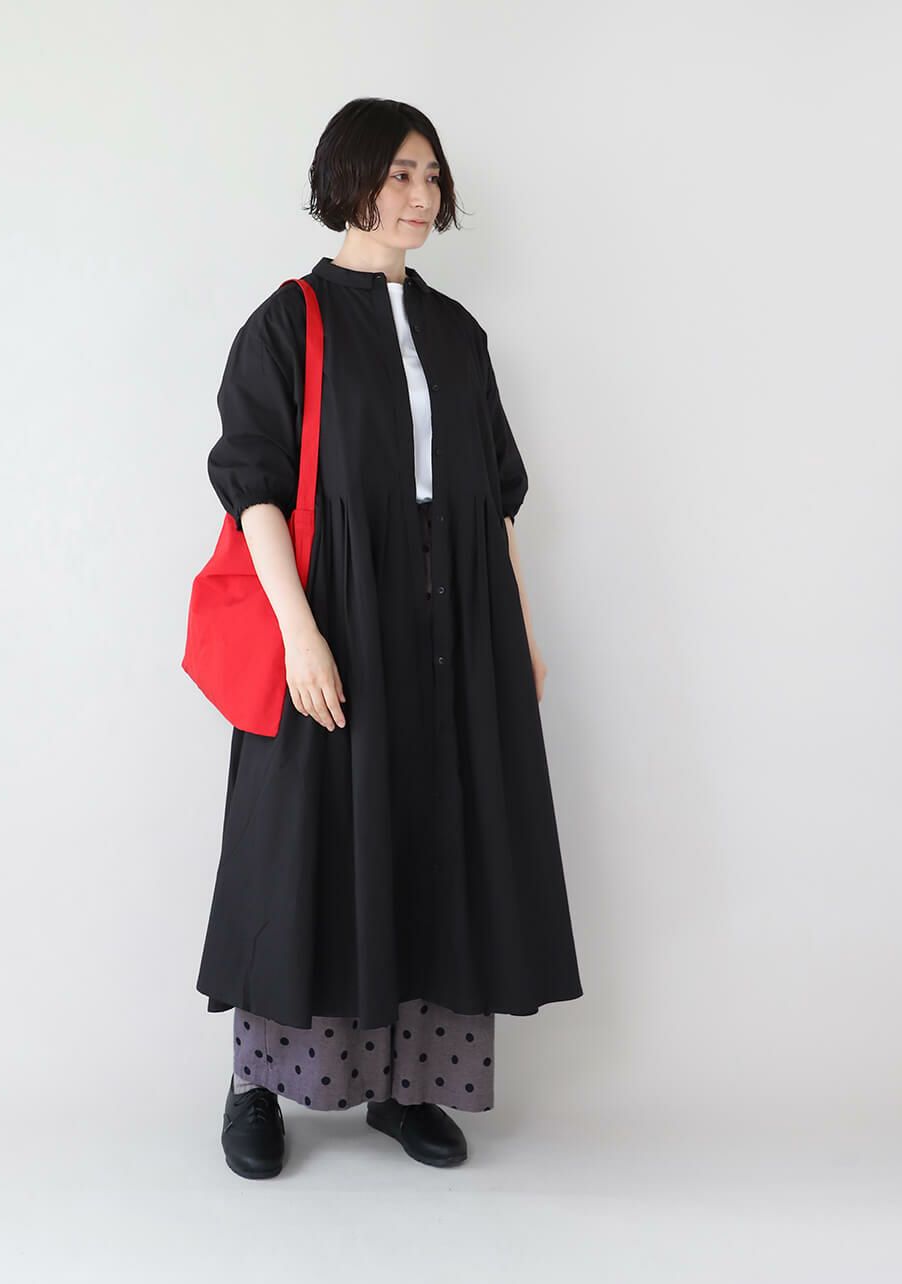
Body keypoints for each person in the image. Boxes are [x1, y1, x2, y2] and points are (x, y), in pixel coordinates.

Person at [196, 98, 583, 1179]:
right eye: (401, 174)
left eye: (432, 176)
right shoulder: (288, 321)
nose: (422, 196)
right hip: (332, 609)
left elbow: (494, 501)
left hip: (456, 618)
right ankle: (257, 1084)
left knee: (434, 834)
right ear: (351, 180)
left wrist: (520, 633)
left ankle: (408, 1085)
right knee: (301, 842)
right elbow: (254, 488)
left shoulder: (457, 333)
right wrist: (301, 635)